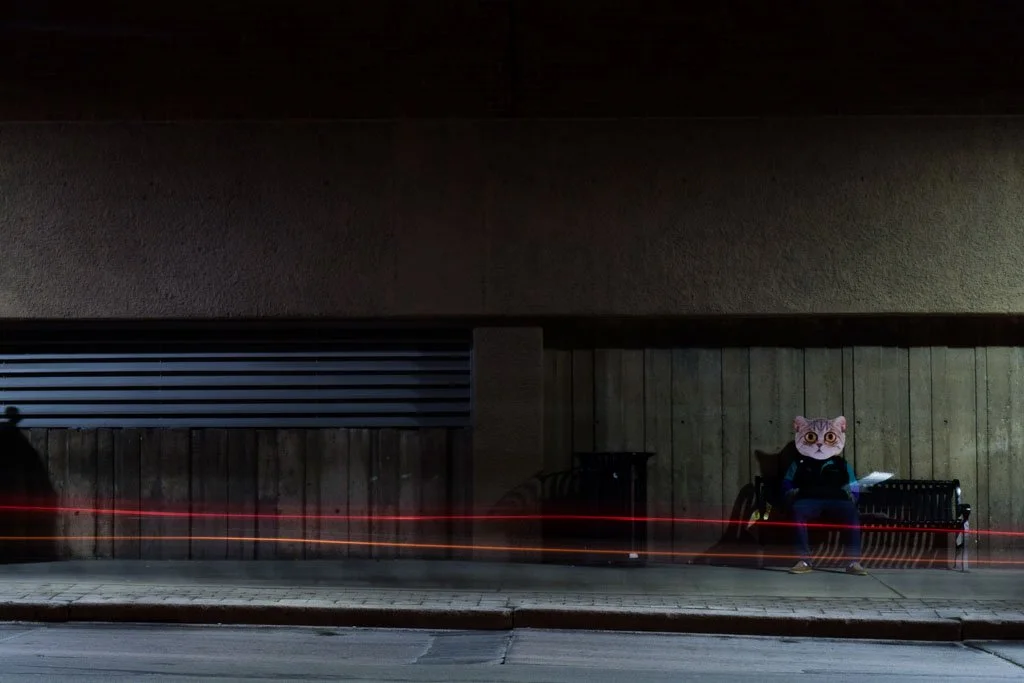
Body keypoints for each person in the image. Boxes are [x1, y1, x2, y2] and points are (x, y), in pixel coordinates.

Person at [782, 415, 868, 576]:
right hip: (808, 500)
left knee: (851, 513)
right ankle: (804, 560)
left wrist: (853, 499)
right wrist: (791, 496)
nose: (820, 443)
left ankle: (853, 562)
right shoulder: (799, 463)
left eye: (828, 437)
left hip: (837, 501)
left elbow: (854, 485)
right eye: (811, 437)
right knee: (797, 511)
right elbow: (787, 482)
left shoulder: (841, 464)